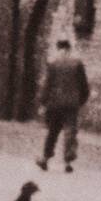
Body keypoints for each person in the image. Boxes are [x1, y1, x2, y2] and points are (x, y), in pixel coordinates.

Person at [36, 37, 90, 173]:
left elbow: (46, 85)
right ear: (69, 48)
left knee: (53, 132)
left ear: (58, 48)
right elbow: (84, 87)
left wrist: (42, 102)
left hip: (54, 103)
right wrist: (80, 101)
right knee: (70, 131)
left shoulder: (52, 63)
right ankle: (68, 161)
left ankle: (45, 158)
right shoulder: (77, 64)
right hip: (71, 104)